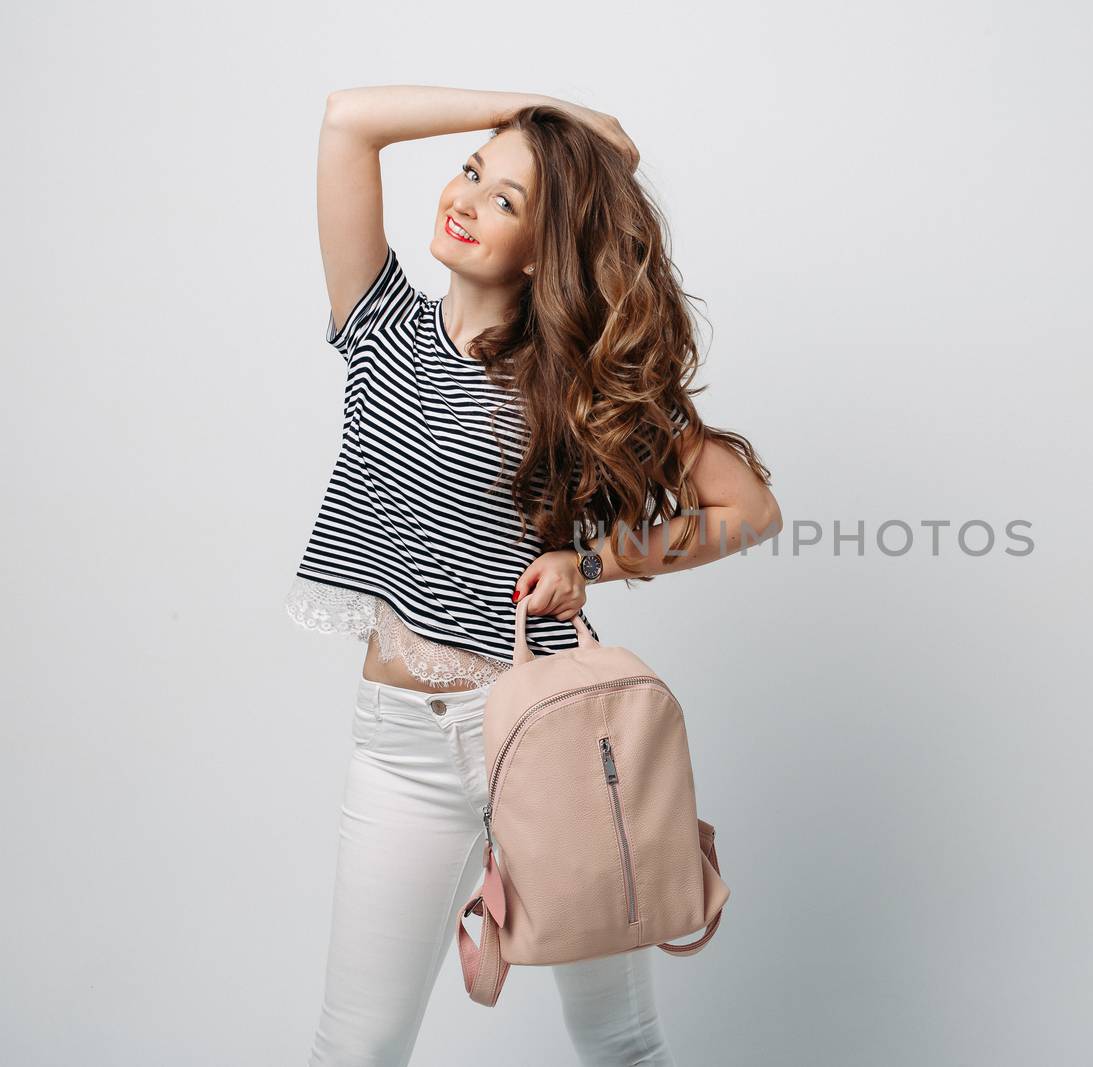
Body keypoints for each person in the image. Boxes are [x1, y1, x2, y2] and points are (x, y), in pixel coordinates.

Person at [288, 84, 782, 1066]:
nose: (466, 199)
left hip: (562, 736)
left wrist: (593, 559)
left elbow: (747, 507)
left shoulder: (576, 379)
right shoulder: (380, 320)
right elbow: (349, 119)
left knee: (617, 1040)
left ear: (546, 246)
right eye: (472, 172)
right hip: (407, 748)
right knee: (356, 1048)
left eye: (507, 199)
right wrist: (546, 115)